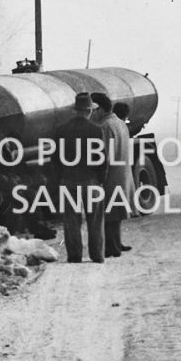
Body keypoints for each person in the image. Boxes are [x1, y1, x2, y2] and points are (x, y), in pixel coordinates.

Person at [52, 92, 106, 263]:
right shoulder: (96, 130)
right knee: (95, 220)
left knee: (71, 221)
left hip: (68, 181)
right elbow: (101, 158)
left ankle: (74, 256)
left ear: (76, 110)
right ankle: (96, 255)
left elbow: (55, 159)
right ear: (90, 111)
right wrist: (101, 179)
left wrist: (59, 178)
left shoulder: (61, 130)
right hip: (91, 181)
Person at [92, 93, 135, 257]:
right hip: (123, 174)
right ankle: (116, 244)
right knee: (116, 214)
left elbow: (105, 155)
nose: (93, 114)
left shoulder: (105, 126)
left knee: (108, 215)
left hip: (111, 176)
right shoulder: (120, 123)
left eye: (95, 110)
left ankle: (112, 248)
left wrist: (100, 178)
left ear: (101, 109)